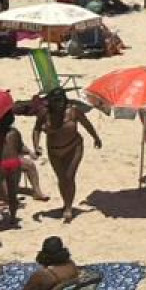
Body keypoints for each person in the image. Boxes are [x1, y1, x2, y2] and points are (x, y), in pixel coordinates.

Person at [33, 88, 103, 220]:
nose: (58, 103)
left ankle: (68, 207)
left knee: (69, 177)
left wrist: (96, 138)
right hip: (54, 150)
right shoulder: (44, 114)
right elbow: (36, 129)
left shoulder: (73, 111)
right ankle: (65, 203)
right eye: (54, 101)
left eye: (60, 100)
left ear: (64, 99)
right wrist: (36, 146)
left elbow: (86, 124)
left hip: (74, 147)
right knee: (61, 178)